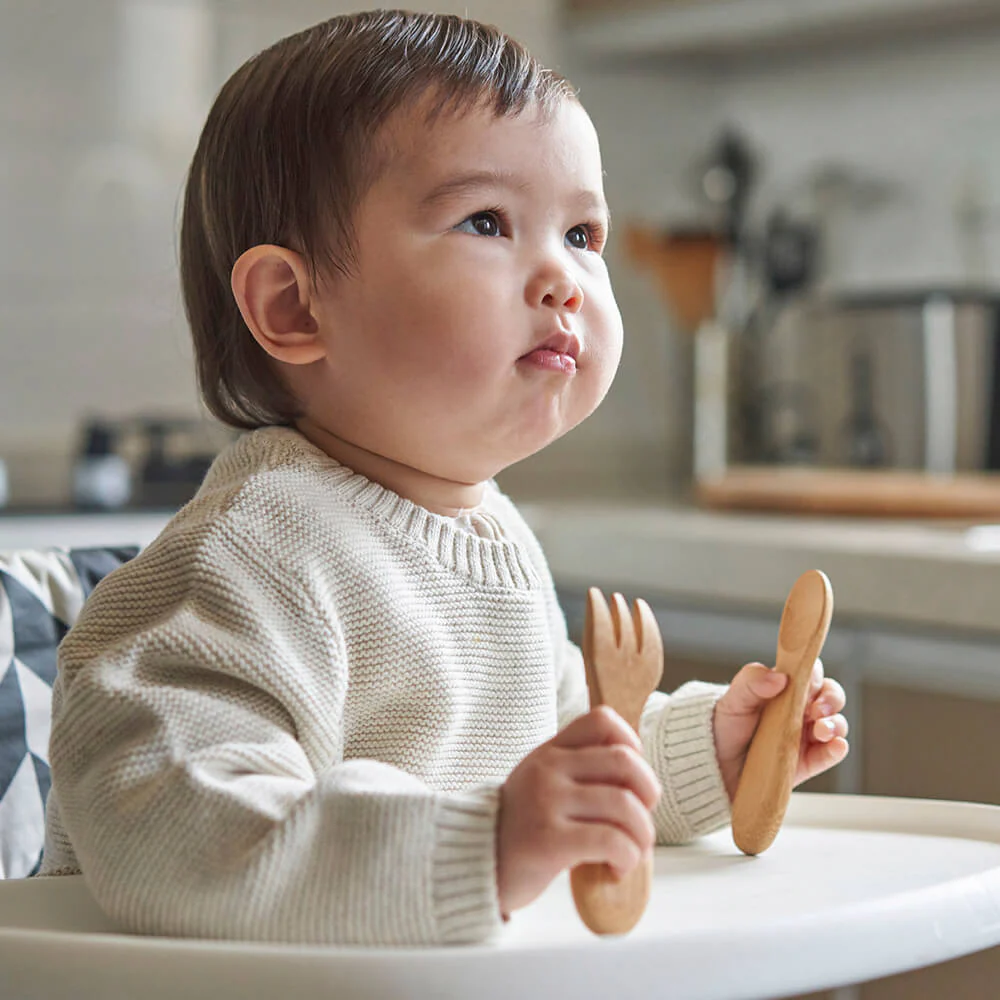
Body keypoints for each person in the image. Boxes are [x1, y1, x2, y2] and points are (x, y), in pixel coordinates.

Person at [40, 9, 849, 946]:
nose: (565, 278)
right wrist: (486, 842)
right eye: (487, 221)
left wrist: (704, 754)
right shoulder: (253, 552)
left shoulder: (490, 534)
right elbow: (174, 829)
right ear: (294, 306)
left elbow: (548, 764)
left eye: (583, 234)